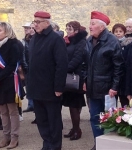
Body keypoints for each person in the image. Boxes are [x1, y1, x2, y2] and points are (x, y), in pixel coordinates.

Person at [27, 11, 68, 150]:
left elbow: (62, 65)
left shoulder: (55, 39)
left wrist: (58, 87)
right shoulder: (34, 38)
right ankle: (47, 144)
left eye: (38, 22)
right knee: (42, 121)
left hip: (50, 89)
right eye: (34, 22)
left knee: (53, 121)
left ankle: (55, 146)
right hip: (36, 88)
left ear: (47, 23)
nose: (35, 25)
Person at [85, 11, 124, 150]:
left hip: (107, 89)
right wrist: (85, 80)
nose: (90, 26)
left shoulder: (112, 41)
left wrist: (114, 87)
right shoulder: (89, 41)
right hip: (92, 88)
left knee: (108, 119)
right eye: (90, 23)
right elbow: (86, 64)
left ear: (102, 26)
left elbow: (118, 67)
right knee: (94, 118)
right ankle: (98, 144)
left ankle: (108, 145)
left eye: (93, 23)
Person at [0, 22, 22, 149]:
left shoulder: (13, 45)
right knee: (2, 111)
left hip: (9, 82)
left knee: (12, 111)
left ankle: (14, 138)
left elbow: (12, 66)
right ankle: (5, 136)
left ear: (7, 31)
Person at [62, 21, 87, 140]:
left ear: (76, 30)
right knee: (73, 105)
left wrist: (65, 69)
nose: (67, 30)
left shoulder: (81, 41)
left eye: (70, 29)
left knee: (74, 105)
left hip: (76, 76)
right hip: (69, 75)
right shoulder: (68, 41)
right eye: (67, 28)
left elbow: (77, 58)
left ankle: (77, 130)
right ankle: (74, 128)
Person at [112, 23, 132, 107]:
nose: (118, 33)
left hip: (124, 76)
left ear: (124, 33)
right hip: (113, 76)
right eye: (116, 31)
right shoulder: (111, 43)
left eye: (120, 31)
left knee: (125, 102)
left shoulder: (129, 44)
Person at [21, 22, 34, 113]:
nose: (26, 30)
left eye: (27, 28)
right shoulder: (24, 40)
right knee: (29, 87)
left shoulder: (34, 40)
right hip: (27, 67)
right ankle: (30, 104)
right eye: (25, 28)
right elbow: (23, 55)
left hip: (33, 67)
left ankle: (33, 105)